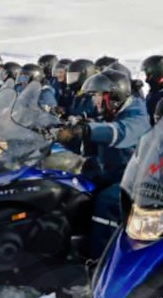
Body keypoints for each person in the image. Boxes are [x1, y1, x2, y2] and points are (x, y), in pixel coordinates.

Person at [56, 71, 150, 260]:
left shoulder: (137, 115)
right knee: (71, 187)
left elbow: (119, 133)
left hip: (134, 181)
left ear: (113, 96)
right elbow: (88, 146)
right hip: (110, 174)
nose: (95, 102)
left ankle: (100, 261)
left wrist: (85, 130)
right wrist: (60, 135)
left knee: (108, 201)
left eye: (99, 96)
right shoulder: (110, 114)